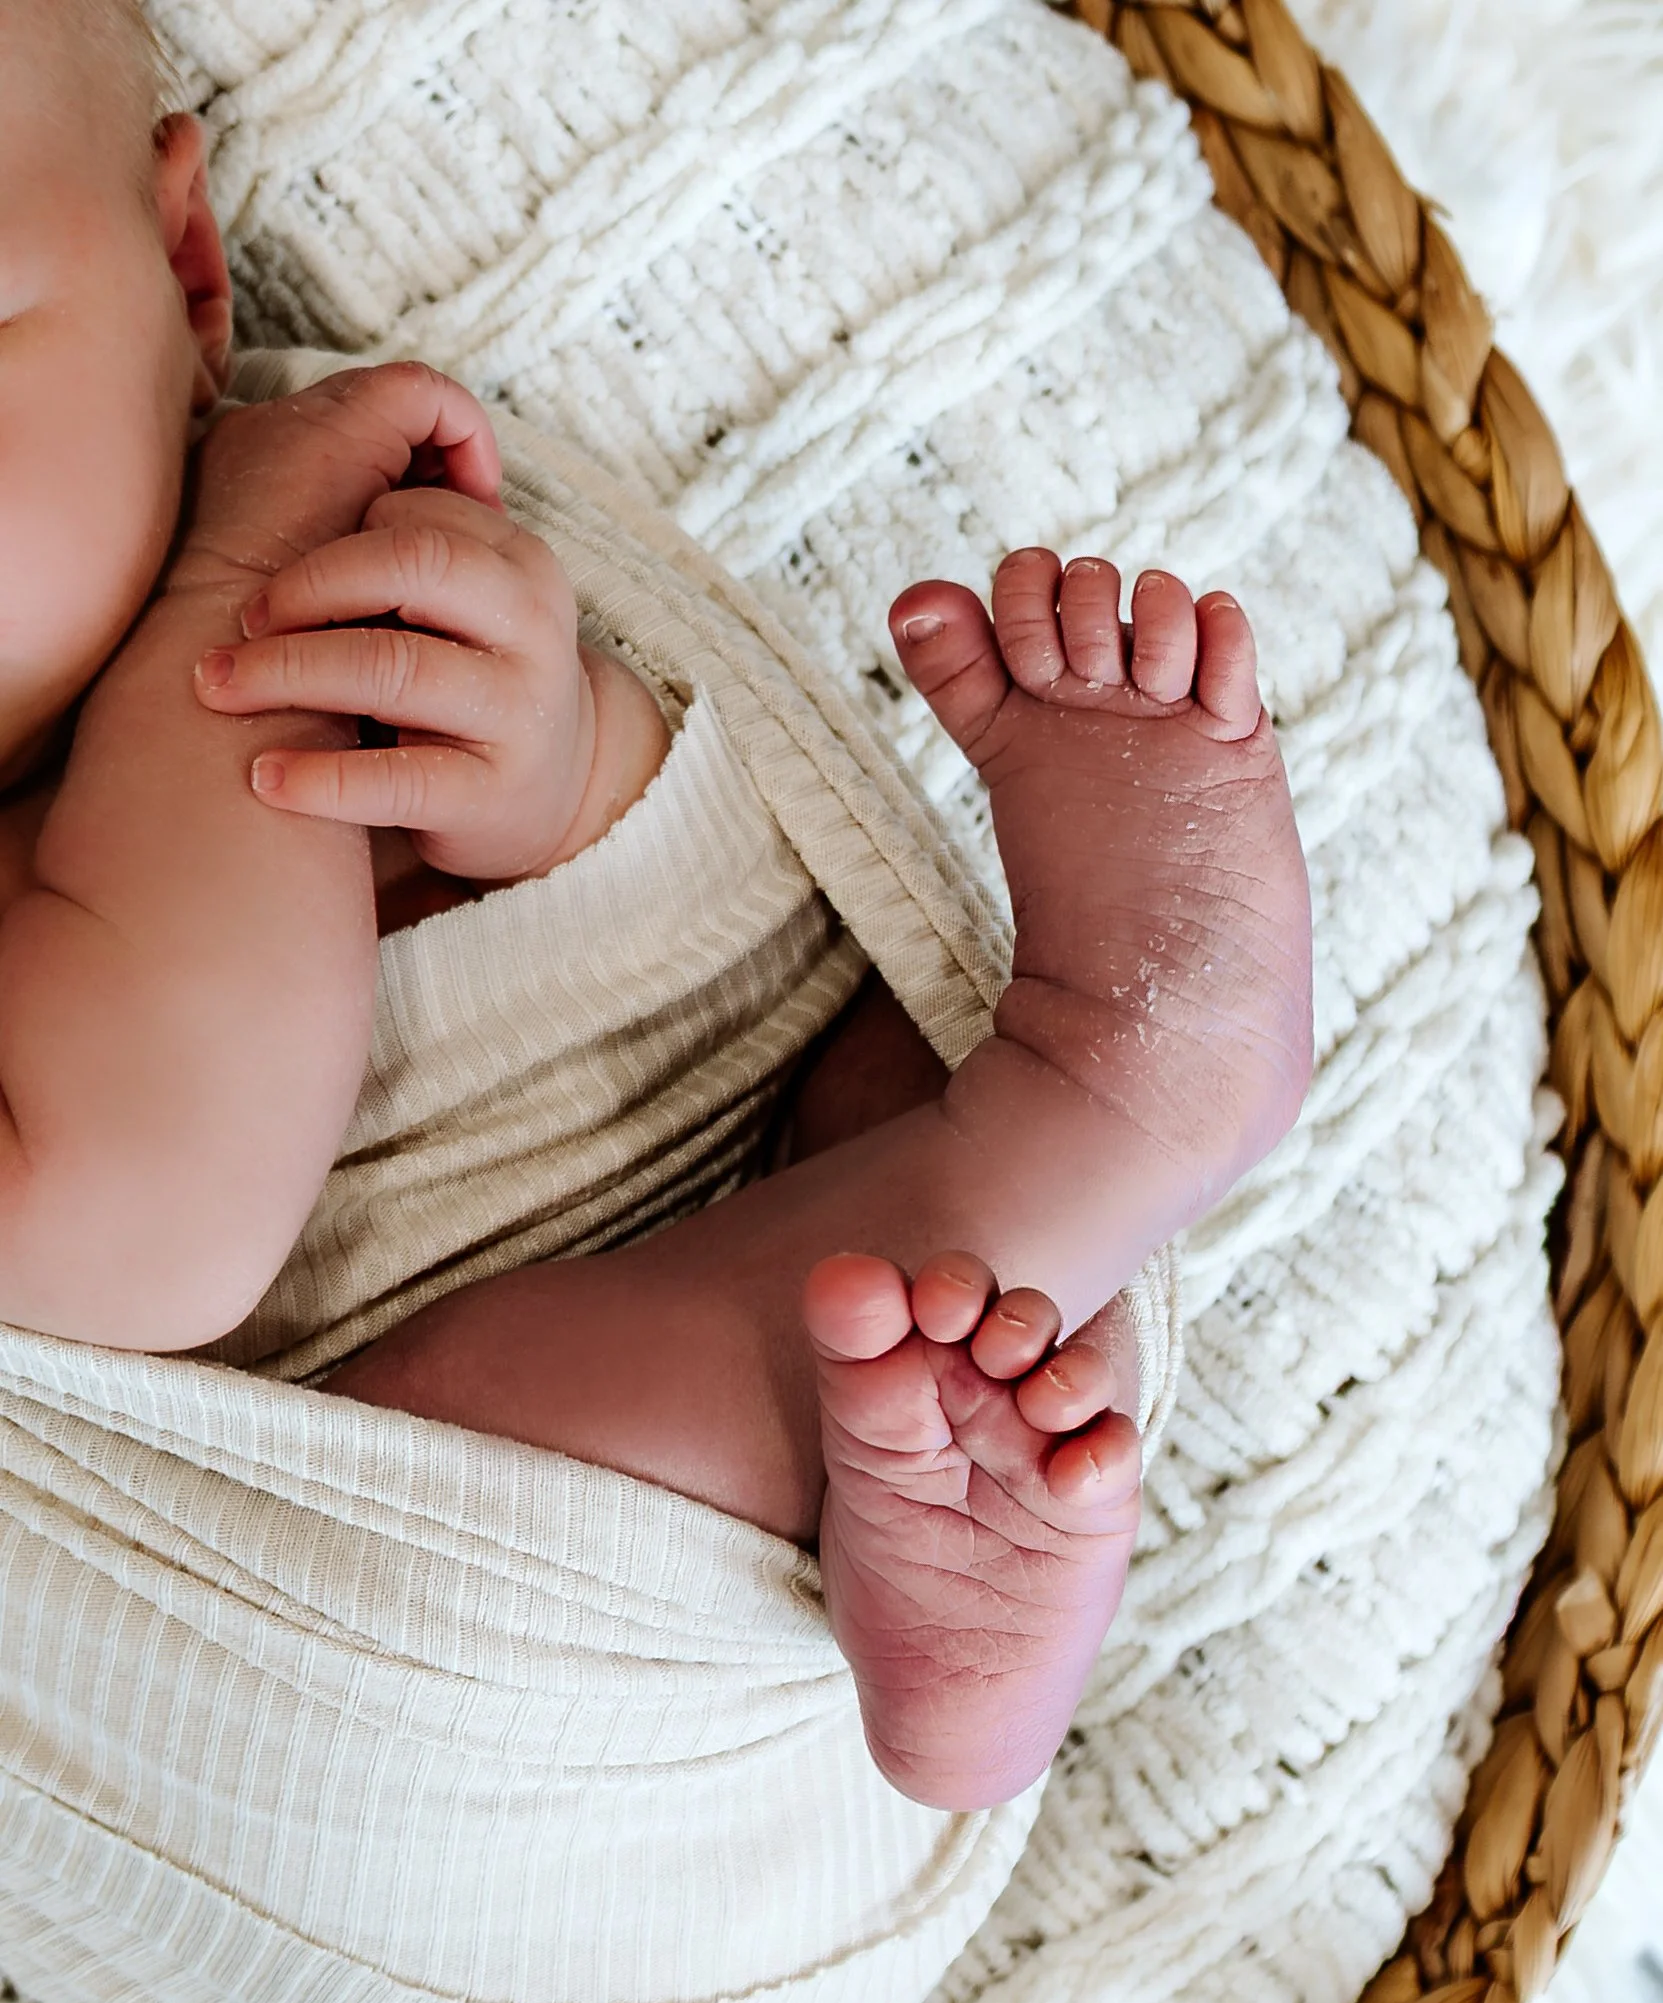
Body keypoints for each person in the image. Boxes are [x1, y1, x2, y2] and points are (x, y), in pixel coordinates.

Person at [0, 0, 1312, 1810]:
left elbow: (681, 919)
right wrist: (236, 604)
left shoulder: (349, 526)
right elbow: (144, 1202)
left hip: (785, 1217)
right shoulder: (256, 572)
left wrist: (555, 772)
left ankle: (958, 1539)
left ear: (183, 267)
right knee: (457, 1446)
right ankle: (1106, 1095)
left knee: (854, 1061)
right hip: (455, 1732)